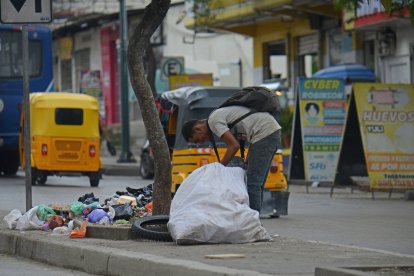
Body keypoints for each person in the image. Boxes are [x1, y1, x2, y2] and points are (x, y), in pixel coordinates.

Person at [181, 105, 281, 212]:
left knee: (253, 183)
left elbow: (234, 146)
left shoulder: (213, 121)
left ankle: (253, 222)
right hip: (270, 131)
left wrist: (219, 168)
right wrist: (248, 158)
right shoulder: (217, 119)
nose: (201, 142)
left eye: (197, 140)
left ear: (198, 129)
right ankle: (255, 220)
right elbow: (250, 129)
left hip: (265, 133)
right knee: (257, 183)